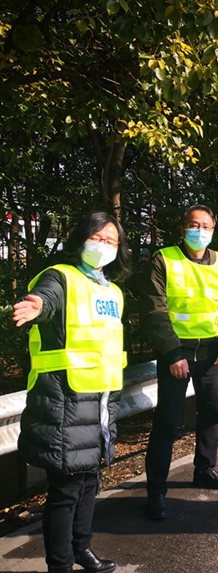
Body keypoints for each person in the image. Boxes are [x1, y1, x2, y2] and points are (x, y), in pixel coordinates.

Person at [13, 211, 131, 573]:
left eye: (111, 240)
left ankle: (83, 550)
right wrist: (37, 305)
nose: (104, 245)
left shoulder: (113, 291)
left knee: (90, 482)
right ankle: (60, 564)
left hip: (99, 403)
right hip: (64, 401)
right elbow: (46, 298)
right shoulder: (60, 276)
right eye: (98, 237)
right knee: (65, 491)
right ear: (81, 239)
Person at [140, 205, 218, 520]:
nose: (199, 231)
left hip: (211, 352)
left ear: (213, 230)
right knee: (167, 422)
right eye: (193, 225)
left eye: (205, 226)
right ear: (182, 228)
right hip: (176, 353)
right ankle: (156, 491)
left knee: (211, 414)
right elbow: (154, 310)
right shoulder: (164, 260)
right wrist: (173, 353)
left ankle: (205, 470)